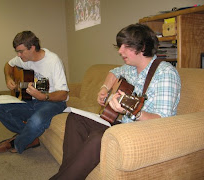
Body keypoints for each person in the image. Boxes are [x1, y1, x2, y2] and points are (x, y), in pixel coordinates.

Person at [50, 23, 181, 180]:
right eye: (120, 46)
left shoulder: (165, 73)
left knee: (100, 137)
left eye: (126, 46)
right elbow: (113, 72)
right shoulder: (130, 68)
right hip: (125, 126)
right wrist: (105, 88)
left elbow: (163, 121)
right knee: (75, 119)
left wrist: (129, 110)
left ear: (143, 47)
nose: (120, 51)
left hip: (147, 133)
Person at [0, 31, 69, 154]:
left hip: (53, 102)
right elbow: (8, 65)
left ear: (32, 48)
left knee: (36, 121)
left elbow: (63, 94)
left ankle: (17, 142)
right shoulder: (23, 59)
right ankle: (31, 137)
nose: (18, 55)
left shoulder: (53, 61)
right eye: (17, 51)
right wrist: (8, 77)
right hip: (30, 100)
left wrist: (43, 97)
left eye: (21, 51)